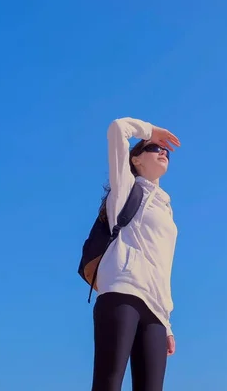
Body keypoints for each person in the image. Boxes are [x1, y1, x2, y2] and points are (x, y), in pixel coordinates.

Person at [91, 117, 181, 391]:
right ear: (136, 160)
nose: (162, 151)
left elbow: (162, 265)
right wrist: (151, 131)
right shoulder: (125, 190)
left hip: (155, 309)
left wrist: (167, 323)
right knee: (109, 383)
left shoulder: (166, 207)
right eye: (154, 148)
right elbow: (118, 128)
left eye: (163, 149)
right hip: (122, 292)